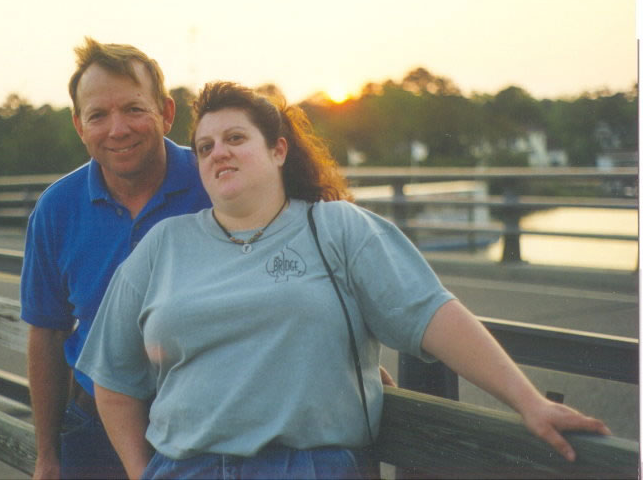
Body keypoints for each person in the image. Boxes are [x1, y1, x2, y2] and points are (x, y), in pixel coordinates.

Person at [75, 81, 611, 480]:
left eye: (236, 138)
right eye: (207, 145)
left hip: (309, 467)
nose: (220, 153)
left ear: (278, 150)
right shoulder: (162, 247)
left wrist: (529, 401)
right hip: (185, 467)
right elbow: (115, 380)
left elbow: (432, 314)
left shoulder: (336, 228)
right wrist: (142, 474)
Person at [19, 38, 212, 479]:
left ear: (166, 113)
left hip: (206, 422)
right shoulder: (56, 209)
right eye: (98, 115)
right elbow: (46, 335)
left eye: (133, 109)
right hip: (93, 427)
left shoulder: (214, 183)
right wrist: (47, 455)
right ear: (79, 125)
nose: (117, 129)